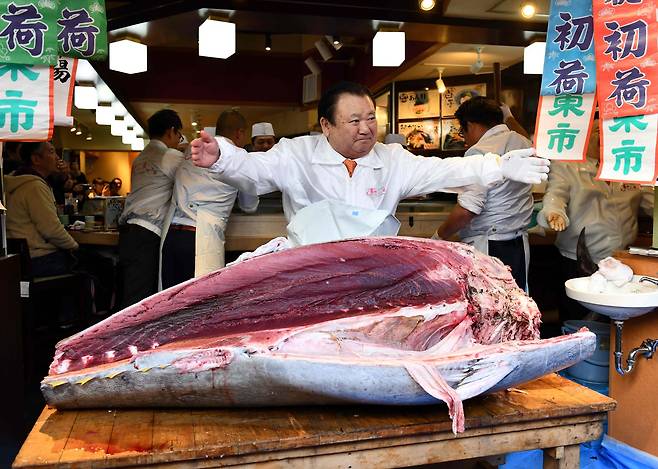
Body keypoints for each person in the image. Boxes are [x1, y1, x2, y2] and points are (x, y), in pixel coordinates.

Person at [189, 81, 549, 247]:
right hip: (310, 272)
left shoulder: (392, 159)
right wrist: (222, 155)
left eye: (370, 119)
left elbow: (449, 171)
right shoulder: (295, 154)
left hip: (373, 269)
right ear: (326, 125)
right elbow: (253, 170)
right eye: (353, 121)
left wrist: (500, 166)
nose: (366, 129)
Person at [537, 118, 654, 320]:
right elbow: (556, 195)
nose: (603, 136)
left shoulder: (629, 165)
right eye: (597, 130)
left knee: (619, 319)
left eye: (609, 130)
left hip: (622, 261)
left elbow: (652, 203)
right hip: (579, 260)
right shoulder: (567, 165)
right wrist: (554, 213)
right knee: (579, 319)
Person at [433, 97, 533, 290]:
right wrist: (510, 117)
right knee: (517, 305)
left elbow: (467, 210)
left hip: (489, 245)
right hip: (520, 243)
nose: (465, 140)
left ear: (470, 125)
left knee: (490, 308)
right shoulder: (522, 141)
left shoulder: (478, 151)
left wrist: (438, 237)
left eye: (463, 132)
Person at [162, 109, 259, 288]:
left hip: (171, 234)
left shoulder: (194, 148)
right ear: (240, 133)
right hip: (200, 239)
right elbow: (249, 205)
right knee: (199, 303)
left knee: (170, 303)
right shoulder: (240, 158)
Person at [118, 109, 185, 308]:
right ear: (171, 131)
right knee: (141, 296)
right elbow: (194, 178)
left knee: (130, 290)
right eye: (179, 135)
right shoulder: (169, 155)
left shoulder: (140, 157)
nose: (178, 140)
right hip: (148, 232)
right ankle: (130, 338)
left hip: (129, 231)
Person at [4, 142, 78, 277]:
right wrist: (75, 246)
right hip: (39, 258)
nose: (57, 158)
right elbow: (51, 230)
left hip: (20, 257)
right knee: (99, 265)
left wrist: (63, 176)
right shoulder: (35, 186)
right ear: (36, 159)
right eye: (51, 152)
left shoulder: (17, 179)